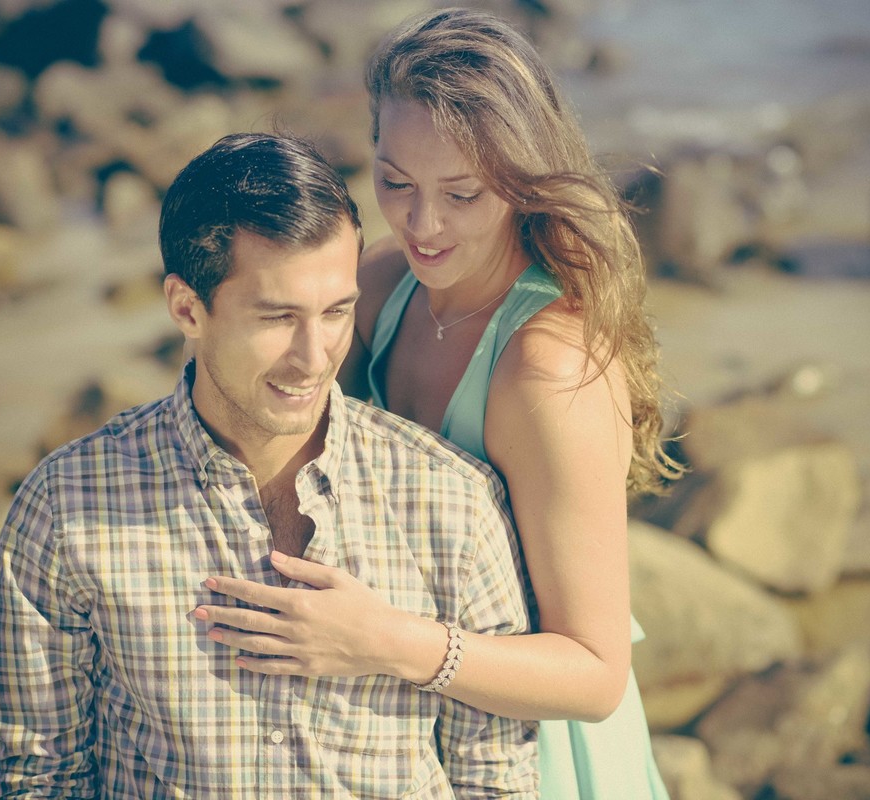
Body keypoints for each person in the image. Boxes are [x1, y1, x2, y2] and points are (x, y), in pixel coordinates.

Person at [201, 8, 680, 800]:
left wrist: (385, 642)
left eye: (462, 193)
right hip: (408, 733)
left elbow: (595, 675)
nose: (422, 225)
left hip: (540, 749)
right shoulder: (385, 286)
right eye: (395, 183)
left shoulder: (547, 371)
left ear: (523, 180)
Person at [0, 132, 538, 799]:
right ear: (187, 308)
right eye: (277, 318)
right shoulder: (66, 508)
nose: (314, 357)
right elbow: (41, 779)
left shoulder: (451, 498)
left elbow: (495, 781)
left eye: (337, 312)